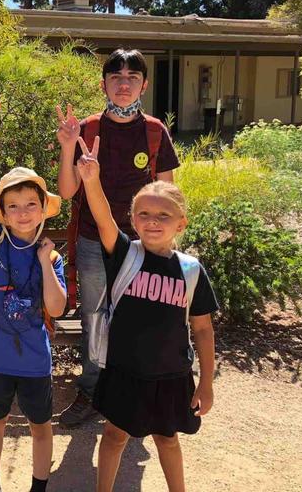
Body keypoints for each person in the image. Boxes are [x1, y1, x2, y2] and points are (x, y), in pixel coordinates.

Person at [75, 135, 217, 492]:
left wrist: (206, 382)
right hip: (124, 372)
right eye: (144, 214)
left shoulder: (191, 270)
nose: (153, 222)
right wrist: (92, 181)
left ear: (180, 224)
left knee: (167, 439)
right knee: (114, 435)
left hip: (171, 376)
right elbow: (103, 218)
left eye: (163, 215)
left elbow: (202, 330)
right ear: (133, 220)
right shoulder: (125, 254)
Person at [56, 48, 180, 427]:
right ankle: (92, 389)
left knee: (137, 316)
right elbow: (65, 192)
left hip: (141, 245)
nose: (123, 84)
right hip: (94, 241)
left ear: (144, 83)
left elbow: (168, 195)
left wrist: (163, 244)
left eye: (131, 77)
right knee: (94, 316)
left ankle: (134, 387)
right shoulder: (87, 130)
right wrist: (66, 147)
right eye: (116, 77)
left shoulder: (154, 131)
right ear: (104, 85)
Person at [0, 100, 67, 492]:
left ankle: (38, 487)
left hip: (34, 361)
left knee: (41, 427)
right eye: (13, 206)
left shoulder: (52, 256)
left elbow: (55, 307)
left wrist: (44, 262)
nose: (23, 212)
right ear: (2, 213)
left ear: (43, 210)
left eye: (31, 204)